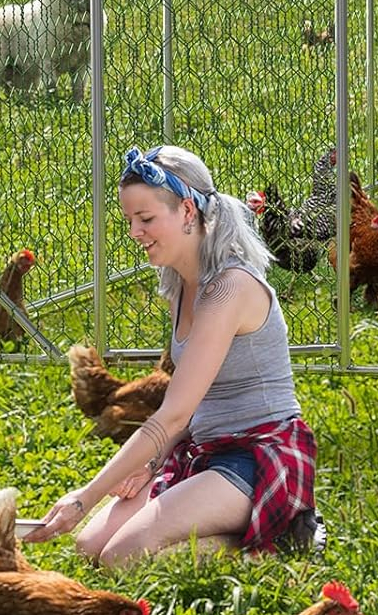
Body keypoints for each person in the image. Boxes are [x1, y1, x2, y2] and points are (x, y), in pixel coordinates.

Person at [29, 145, 318, 563]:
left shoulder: (228, 288)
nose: (134, 232)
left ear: (186, 212)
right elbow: (191, 405)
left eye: (146, 219)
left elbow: (174, 414)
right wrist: (151, 463)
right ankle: (249, 529)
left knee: (121, 558)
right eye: (130, 220)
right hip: (205, 451)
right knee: (89, 545)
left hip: (261, 457)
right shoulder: (180, 284)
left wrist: (84, 498)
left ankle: (271, 538)